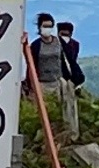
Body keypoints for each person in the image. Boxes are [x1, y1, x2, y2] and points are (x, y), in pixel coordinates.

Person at [26, 12, 84, 140]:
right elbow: (31, 66)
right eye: (45, 26)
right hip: (42, 84)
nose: (47, 29)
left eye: (50, 26)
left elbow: (69, 60)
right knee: (43, 112)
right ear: (39, 27)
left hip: (58, 83)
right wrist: (31, 85)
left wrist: (75, 78)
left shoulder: (59, 43)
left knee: (59, 111)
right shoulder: (36, 45)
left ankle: (60, 137)